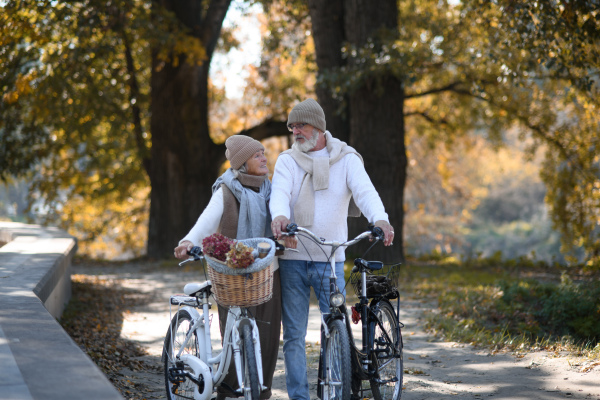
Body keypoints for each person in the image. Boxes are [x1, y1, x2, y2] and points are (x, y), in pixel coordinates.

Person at [269, 98, 394, 400]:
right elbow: (280, 193)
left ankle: (338, 393)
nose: (295, 131)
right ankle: (299, 397)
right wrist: (280, 216)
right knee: (294, 336)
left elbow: (365, 192)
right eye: (292, 126)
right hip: (293, 259)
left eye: (301, 125)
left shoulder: (346, 159)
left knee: (337, 333)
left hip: (331, 259)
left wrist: (381, 219)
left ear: (319, 127)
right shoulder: (287, 160)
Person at [174, 135, 281, 400]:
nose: (264, 158)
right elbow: (207, 219)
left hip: (268, 270)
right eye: (257, 155)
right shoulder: (226, 189)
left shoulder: (272, 189)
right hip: (232, 272)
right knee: (233, 335)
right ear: (243, 162)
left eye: (263, 153)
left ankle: (260, 391)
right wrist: (189, 241)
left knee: (267, 336)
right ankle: (228, 391)